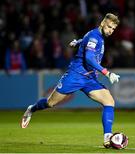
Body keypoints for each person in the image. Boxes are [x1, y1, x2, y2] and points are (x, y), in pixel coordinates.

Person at [21, 13, 120, 148]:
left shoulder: (95, 35)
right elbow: (89, 58)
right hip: (75, 75)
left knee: (109, 101)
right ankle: (32, 109)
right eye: (109, 27)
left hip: (90, 78)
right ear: (102, 23)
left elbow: (86, 40)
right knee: (50, 103)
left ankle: (107, 137)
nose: (110, 31)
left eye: (113, 29)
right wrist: (106, 72)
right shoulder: (95, 37)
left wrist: (77, 42)